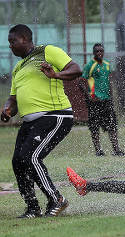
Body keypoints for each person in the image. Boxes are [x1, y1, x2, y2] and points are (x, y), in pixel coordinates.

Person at [1, 24, 82, 218]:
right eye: (9, 43)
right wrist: (7, 109)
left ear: (25, 39)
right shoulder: (18, 67)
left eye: (13, 41)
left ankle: (57, 199)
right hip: (30, 122)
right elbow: (13, 98)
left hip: (55, 115)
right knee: (18, 162)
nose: (10, 46)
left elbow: (76, 69)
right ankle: (33, 208)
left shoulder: (47, 51)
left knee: (31, 157)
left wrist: (56, 75)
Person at [81, 43, 125, 157]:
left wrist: (110, 95)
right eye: (97, 51)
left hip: (106, 100)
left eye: (101, 51)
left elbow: (108, 80)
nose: (99, 53)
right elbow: (82, 82)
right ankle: (98, 151)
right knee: (94, 126)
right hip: (94, 102)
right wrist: (89, 97)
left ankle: (116, 149)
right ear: (94, 53)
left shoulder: (106, 64)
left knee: (112, 125)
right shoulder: (90, 65)